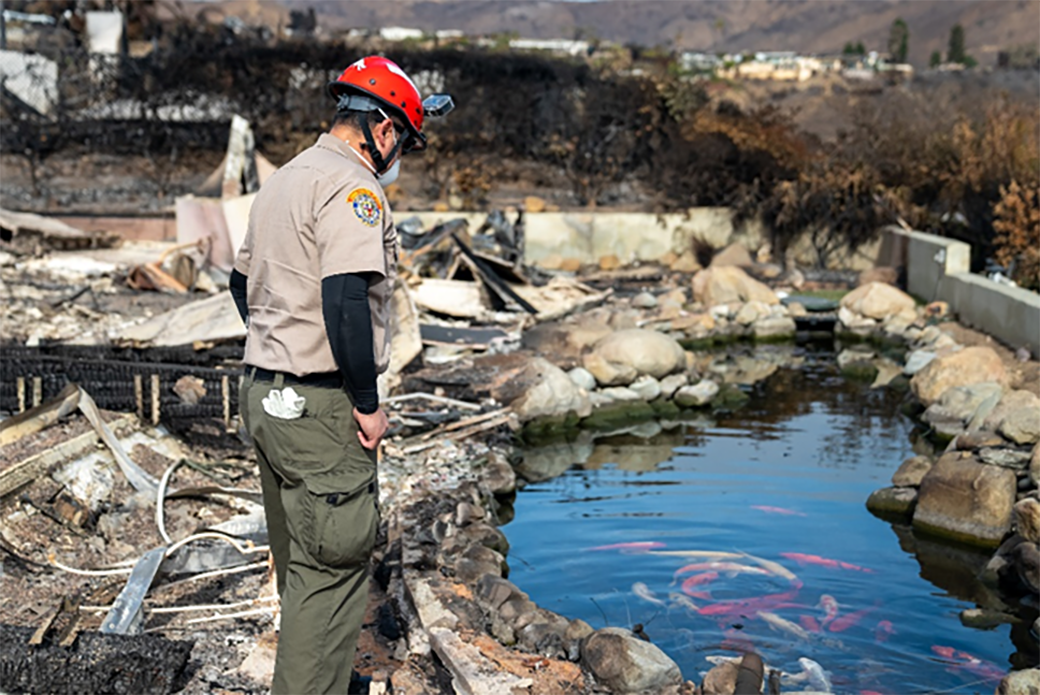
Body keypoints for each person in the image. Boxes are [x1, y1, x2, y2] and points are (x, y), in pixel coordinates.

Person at [229, 56, 451, 695]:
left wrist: (279, 344)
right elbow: (347, 298)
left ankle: (325, 678)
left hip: (265, 394)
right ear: (381, 129)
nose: (399, 154)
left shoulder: (285, 178)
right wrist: (366, 400)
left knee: (302, 562)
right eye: (403, 141)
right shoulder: (354, 189)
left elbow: (242, 284)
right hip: (321, 406)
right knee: (333, 571)